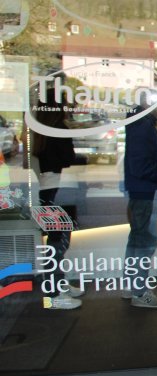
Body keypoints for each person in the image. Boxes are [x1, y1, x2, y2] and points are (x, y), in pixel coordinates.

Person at [31, 85, 83, 310]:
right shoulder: (58, 129)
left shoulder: (38, 130)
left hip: (46, 190)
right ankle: (53, 294)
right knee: (58, 242)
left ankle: (57, 286)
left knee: (54, 241)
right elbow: (68, 157)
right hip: (58, 189)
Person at [122, 89, 157, 308]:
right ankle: (139, 292)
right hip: (144, 191)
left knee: (137, 239)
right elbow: (139, 164)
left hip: (141, 190)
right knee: (144, 241)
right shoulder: (142, 125)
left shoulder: (139, 123)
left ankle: (131, 286)